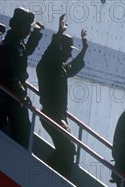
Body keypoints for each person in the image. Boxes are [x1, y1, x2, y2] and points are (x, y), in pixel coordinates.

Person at [36, 14, 88, 178]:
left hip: (57, 116)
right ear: (60, 48)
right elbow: (51, 52)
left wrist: (85, 49)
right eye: (68, 50)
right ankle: (47, 176)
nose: (69, 55)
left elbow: (73, 66)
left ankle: (54, 176)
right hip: (51, 115)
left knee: (67, 150)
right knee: (67, 150)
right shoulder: (48, 65)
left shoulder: (60, 68)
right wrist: (59, 33)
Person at [0, 8, 43, 148]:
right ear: (17, 25)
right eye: (26, 27)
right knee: (19, 134)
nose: (28, 31)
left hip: (12, 99)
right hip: (7, 100)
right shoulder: (8, 47)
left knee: (23, 133)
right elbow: (9, 75)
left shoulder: (16, 43)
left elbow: (26, 51)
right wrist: (22, 93)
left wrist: (36, 34)